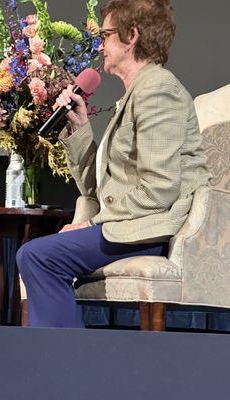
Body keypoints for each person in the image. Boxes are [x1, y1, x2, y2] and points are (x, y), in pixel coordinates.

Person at [16, 0, 211, 328]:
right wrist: (77, 130)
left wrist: (93, 225)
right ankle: (61, 364)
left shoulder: (158, 91)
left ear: (131, 35)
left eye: (106, 35)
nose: (101, 45)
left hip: (149, 229)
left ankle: (62, 366)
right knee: (38, 254)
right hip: (129, 224)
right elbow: (101, 188)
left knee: (38, 256)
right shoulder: (137, 94)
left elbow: (159, 188)